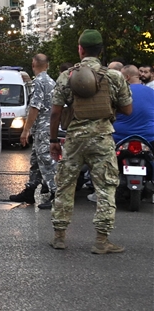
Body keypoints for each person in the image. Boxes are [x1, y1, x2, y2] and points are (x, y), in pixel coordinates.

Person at [48, 29, 133, 254]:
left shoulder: (67, 75)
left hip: (74, 139)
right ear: (101, 51)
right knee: (105, 187)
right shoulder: (114, 76)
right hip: (102, 138)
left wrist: (53, 139)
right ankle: (101, 241)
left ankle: (59, 236)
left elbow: (55, 112)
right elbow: (128, 109)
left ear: (80, 49)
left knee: (65, 184)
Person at [12, 54, 57, 208]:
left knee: (46, 160)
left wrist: (26, 130)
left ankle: (56, 193)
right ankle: (30, 191)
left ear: (33, 65)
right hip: (48, 126)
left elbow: (35, 107)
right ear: (47, 65)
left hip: (42, 128)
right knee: (36, 161)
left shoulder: (38, 82)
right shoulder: (51, 82)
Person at [112, 65, 154, 144]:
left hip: (120, 137)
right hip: (149, 137)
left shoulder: (119, 92)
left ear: (127, 77)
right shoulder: (152, 91)